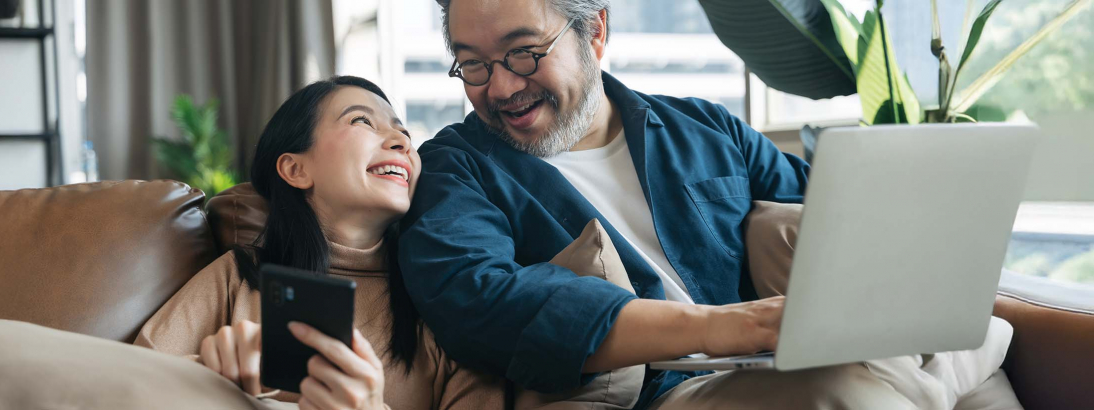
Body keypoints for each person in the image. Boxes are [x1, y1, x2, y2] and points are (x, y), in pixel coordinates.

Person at [397, 0, 1017, 409]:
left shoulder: (702, 128)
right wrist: (726, 327)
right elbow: (479, 298)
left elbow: (838, 222)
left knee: (980, 331)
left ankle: (906, 382)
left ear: (595, 32)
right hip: (670, 390)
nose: (500, 86)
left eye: (524, 52)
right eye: (472, 65)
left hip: (778, 361)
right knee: (854, 389)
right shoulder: (455, 171)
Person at [135, 76, 504, 410]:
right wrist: (207, 376)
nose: (402, 142)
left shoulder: (447, 295)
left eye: (402, 132)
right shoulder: (237, 277)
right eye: (361, 120)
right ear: (296, 169)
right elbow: (126, 382)